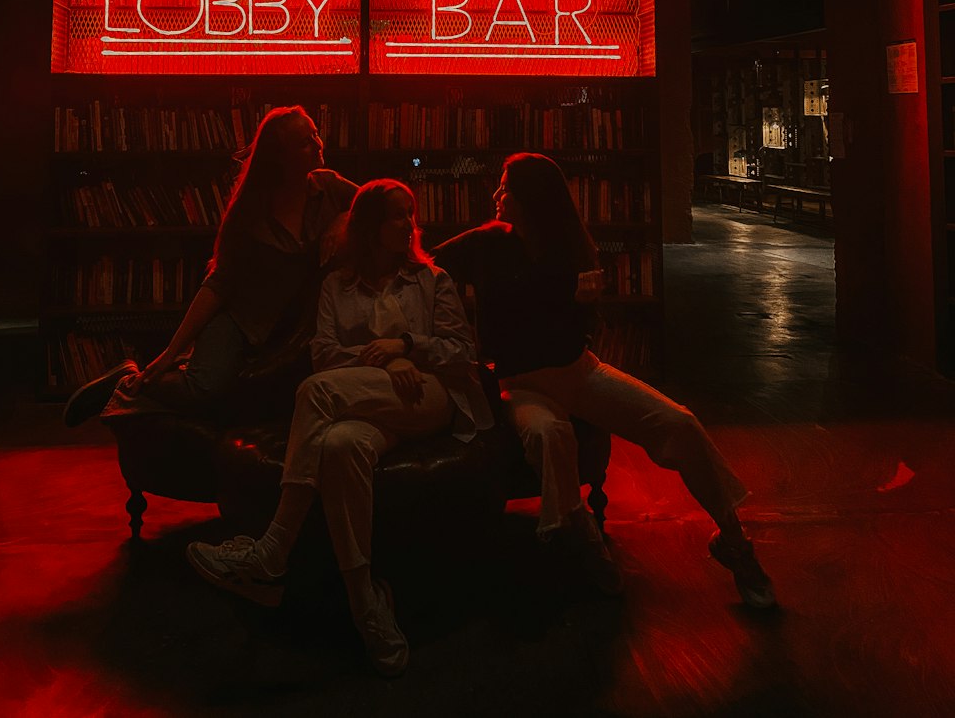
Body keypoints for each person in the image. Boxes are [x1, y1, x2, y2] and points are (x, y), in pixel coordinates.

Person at [433, 152, 776, 610]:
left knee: (679, 424)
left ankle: (733, 540)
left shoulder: (569, 248)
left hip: (579, 371)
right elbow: (425, 266)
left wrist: (579, 303)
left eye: (505, 189)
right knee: (549, 433)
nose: (496, 196)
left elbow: (576, 333)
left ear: (532, 199)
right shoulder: (486, 242)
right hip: (523, 384)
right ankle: (582, 542)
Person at [185, 179, 492, 676]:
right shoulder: (336, 286)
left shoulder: (432, 281)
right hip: (369, 404)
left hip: (430, 398)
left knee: (315, 392)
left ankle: (272, 552)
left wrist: (408, 346)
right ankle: (366, 603)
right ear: (370, 226)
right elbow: (324, 354)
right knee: (340, 445)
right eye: (397, 214)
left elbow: (461, 353)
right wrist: (384, 363)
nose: (408, 224)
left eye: (410, 214)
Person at [63, 106, 357, 425]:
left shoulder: (330, 187)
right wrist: (170, 354)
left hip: (290, 326)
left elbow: (376, 205)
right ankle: (124, 381)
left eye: (315, 133)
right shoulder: (249, 212)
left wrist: (342, 221)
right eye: (304, 141)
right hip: (237, 319)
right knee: (202, 389)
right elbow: (218, 284)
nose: (318, 143)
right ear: (280, 157)